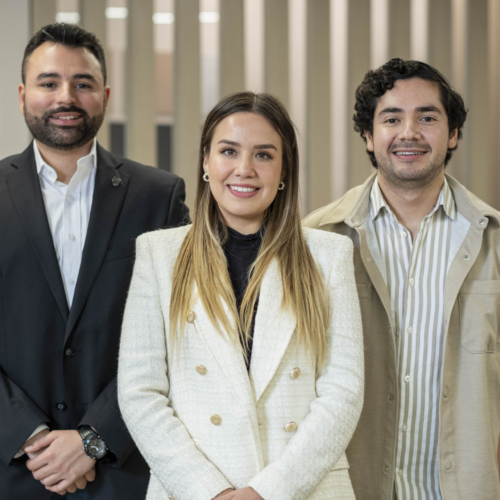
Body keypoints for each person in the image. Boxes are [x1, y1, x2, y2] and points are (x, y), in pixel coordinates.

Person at [118, 91, 364, 500]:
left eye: (264, 155)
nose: (244, 169)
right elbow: (140, 392)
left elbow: (344, 392)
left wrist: (267, 492)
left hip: (304, 489)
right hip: (192, 490)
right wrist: (210, 491)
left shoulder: (329, 256)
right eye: (228, 151)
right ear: (205, 162)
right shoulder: (159, 255)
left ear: (284, 170)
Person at [0, 23, 188, 500]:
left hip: (123, 473)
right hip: (13, 471)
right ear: (22, 96)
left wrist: (94, 439)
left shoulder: (158, 198)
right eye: (49, 83)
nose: (66, 97)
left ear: (104, 96)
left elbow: (181, 334)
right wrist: (29, 436)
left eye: (82, 83)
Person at [303, 58, 500, 500]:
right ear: (369, 136)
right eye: (392, 119)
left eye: (427, 118)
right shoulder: (317, 239)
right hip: (350, 489)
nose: (409, 132)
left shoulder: (494, 240)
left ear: (452, 133)